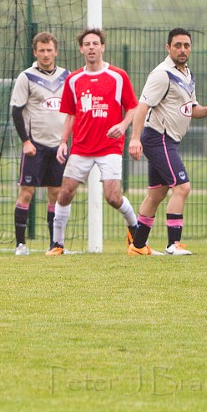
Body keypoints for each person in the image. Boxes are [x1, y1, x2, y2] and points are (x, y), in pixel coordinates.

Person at [128, 28, 207, 255]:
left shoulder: (187, 74)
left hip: (169, 140)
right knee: (182, 187)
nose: (182, 49)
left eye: (186, 45)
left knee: (156, 194)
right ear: (168, 47)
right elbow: (143, 106)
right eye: (177, 45)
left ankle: (138, 246)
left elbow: (190, 109)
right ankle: (173, 244)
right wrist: (134, 139)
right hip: (158, 137)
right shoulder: (162, 74)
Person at [49, 28, 140, 256]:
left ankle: (134, 228)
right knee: (65, 192)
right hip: (81, 147)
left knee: (112, 197)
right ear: (81, 49)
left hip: (109, 147)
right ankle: (57, 244)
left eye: (95, 43)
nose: (91, 47)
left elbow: (133, 107)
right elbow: (70, 114)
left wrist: (123, 125)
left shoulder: (118, 76)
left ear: (102, 47)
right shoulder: (73, 80)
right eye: (87, 44)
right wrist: (63, 142)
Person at [9, 32, 69, 255]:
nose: (46, 54)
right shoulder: (26, 77)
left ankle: (55, 244)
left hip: (58, 146)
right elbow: (16, 111)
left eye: (49, 50)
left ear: (56, 51)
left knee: (56, 193)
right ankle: (20, 244)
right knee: (26, 193)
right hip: (35, 146)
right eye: (41, 50)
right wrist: (26, 141)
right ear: (35, 52)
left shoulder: (66, 77)